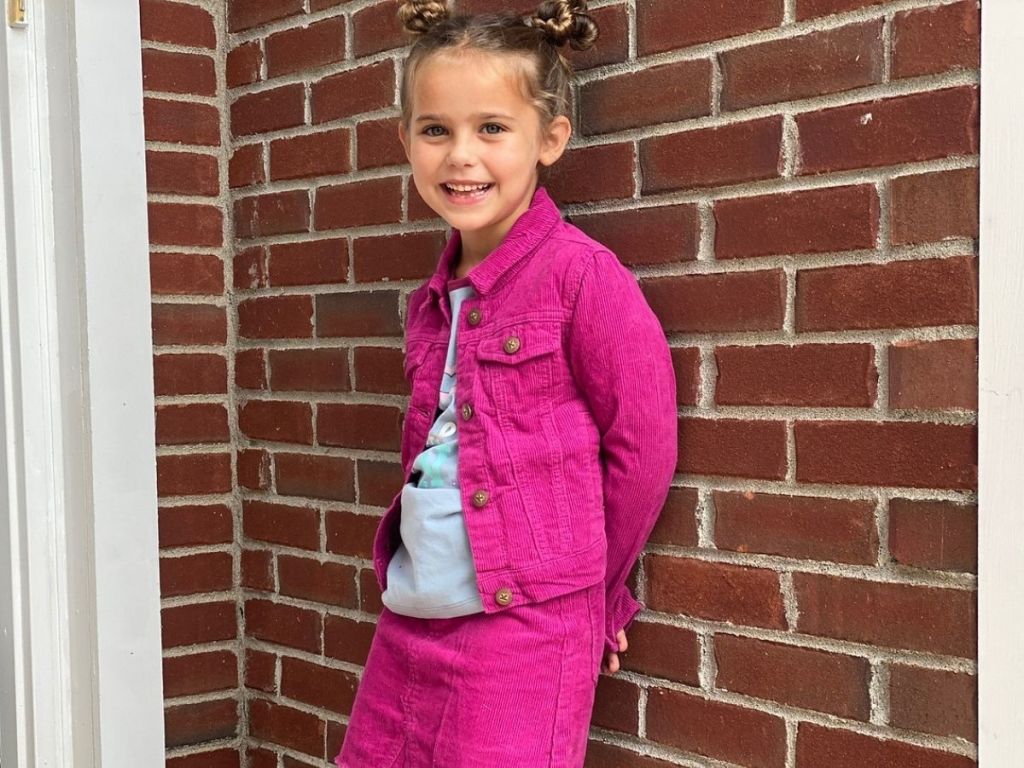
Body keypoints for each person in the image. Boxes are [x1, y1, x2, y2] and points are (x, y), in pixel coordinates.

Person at [335, 1, 677, 766]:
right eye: (436, 130)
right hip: (411, 614)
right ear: (406, 141)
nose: (462, 156)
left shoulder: (580, 278)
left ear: (548, 138)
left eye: (492, 128)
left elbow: (644, 445)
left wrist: (598, 597)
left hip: (524, 628)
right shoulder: (430, 304)